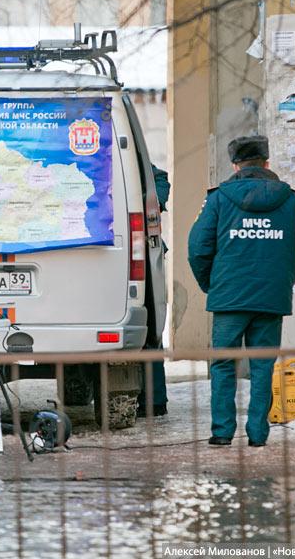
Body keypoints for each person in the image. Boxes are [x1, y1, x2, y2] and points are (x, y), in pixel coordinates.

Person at [188, 135, 295, 447]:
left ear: (236, 165)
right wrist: (290, 278)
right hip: (271, 298)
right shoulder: (289, 199)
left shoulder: (219, 198)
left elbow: (197, 248)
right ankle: (258, 435)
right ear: (266, 163)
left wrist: (211, 284)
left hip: (229, 299)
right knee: (263, 364)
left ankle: (222, 433)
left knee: (223, 363)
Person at [138, 164, 171, 418]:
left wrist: (152, 203)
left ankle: (154, 400)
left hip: (140, 251)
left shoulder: (111, 143)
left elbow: (159, 178)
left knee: (149, 327)